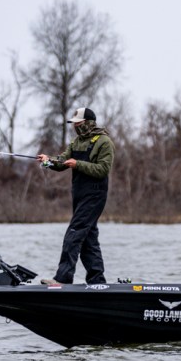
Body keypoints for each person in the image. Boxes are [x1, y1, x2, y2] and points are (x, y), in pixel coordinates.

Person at [36, 107, 114, 285]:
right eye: (74, 124)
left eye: (78, 123)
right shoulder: (76, 142)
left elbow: (103, 169)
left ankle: (63, 278)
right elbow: (62, 162)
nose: (75, 126)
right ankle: (97, 281)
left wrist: (78, 164)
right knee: (88, 239)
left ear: (89, 123)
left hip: (95, 196)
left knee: (74, 233)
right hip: (79, 195)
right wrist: (48, 161)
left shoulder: (104, 142)